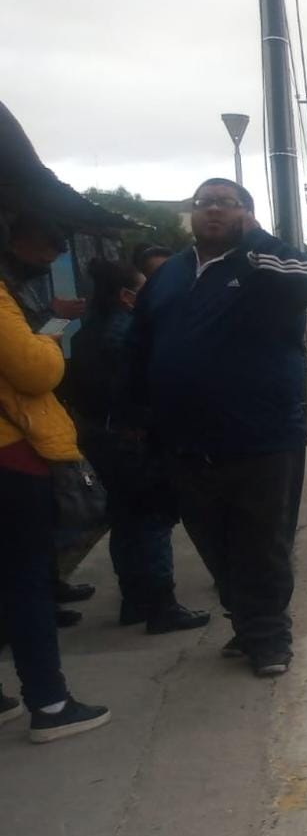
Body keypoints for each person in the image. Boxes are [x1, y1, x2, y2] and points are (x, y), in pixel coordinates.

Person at [121, 179, 307, 677]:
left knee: (262, 542)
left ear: (247, 213)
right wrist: (129, 414)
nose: (212, 211)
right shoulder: (170, 275)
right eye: (204, 204)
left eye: (226, 203)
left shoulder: (264, 265)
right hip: (186, 442)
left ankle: (269, 637)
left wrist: (254, 238)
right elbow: (139, 345)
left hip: (261, 438)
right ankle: (246, 621)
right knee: (212, 541)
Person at [0, 213, 111, 743]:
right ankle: (48, 702)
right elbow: (34, 370)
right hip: (11, 456)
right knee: (25, 581)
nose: (46, 260)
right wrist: (47, 337)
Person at [66, 258, 209, 634]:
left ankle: (134, 601)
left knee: (124, 523)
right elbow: (149, 391)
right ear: (128, 296)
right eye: (144, 290)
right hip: (137, 442)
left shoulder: (85, 334)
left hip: (101, 441)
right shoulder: (131, 336)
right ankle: (162, 606)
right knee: (154, 521)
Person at [0, 212, 94, 624]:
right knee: (25, 544)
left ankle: (49, 589)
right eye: (44, 254)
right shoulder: (7, 289)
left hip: (25, 421)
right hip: (16, 427)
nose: (45, 264)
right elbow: (33, 365)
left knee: (35, 537)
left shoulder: (21, 285)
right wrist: (52, 329)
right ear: (20, 242)